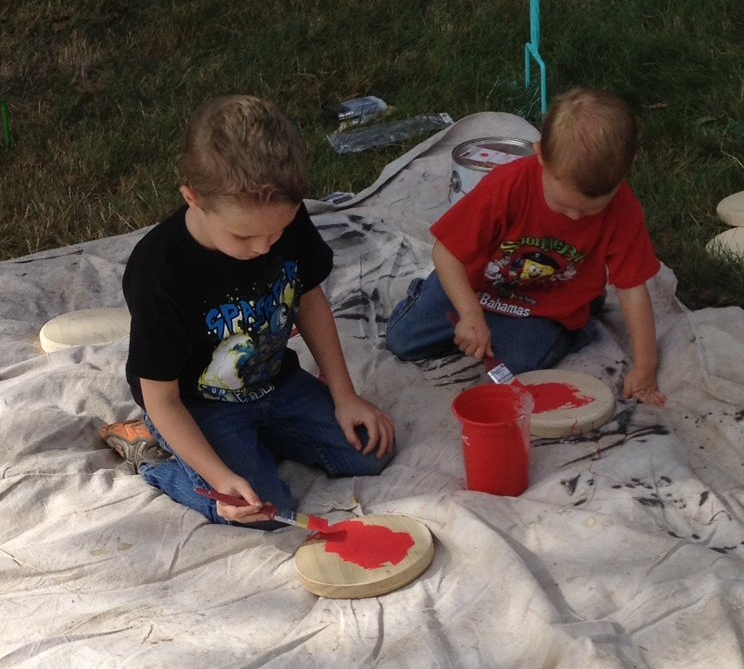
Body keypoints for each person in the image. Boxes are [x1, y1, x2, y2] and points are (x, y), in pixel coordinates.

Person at [101, 95, 395, 528]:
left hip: (275, 383)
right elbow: (161, 398)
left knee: (373, 450)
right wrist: (219, 478)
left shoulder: (278, 218)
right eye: (244, 236)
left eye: (278, 230)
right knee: (263, 512)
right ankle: (155, 457)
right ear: (194, 198)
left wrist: (344, 395)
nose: (264, 247)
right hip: (198, 407)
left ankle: (257, 444)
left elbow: (309, 298)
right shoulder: (160, 274)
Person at [386, 87, 666, 407]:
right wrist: (469, 313)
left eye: (590, 211)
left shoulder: (623, 208)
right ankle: (438, 304)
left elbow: (632, 288)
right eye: (564, 205)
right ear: (540, 156)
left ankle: (568, 328)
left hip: (545, 307)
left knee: (518, 368)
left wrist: (646, 367)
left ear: (621, 180)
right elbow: (446, 252)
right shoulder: (507, 185)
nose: (575, 217)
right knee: (402, 341)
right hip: (476, 287)